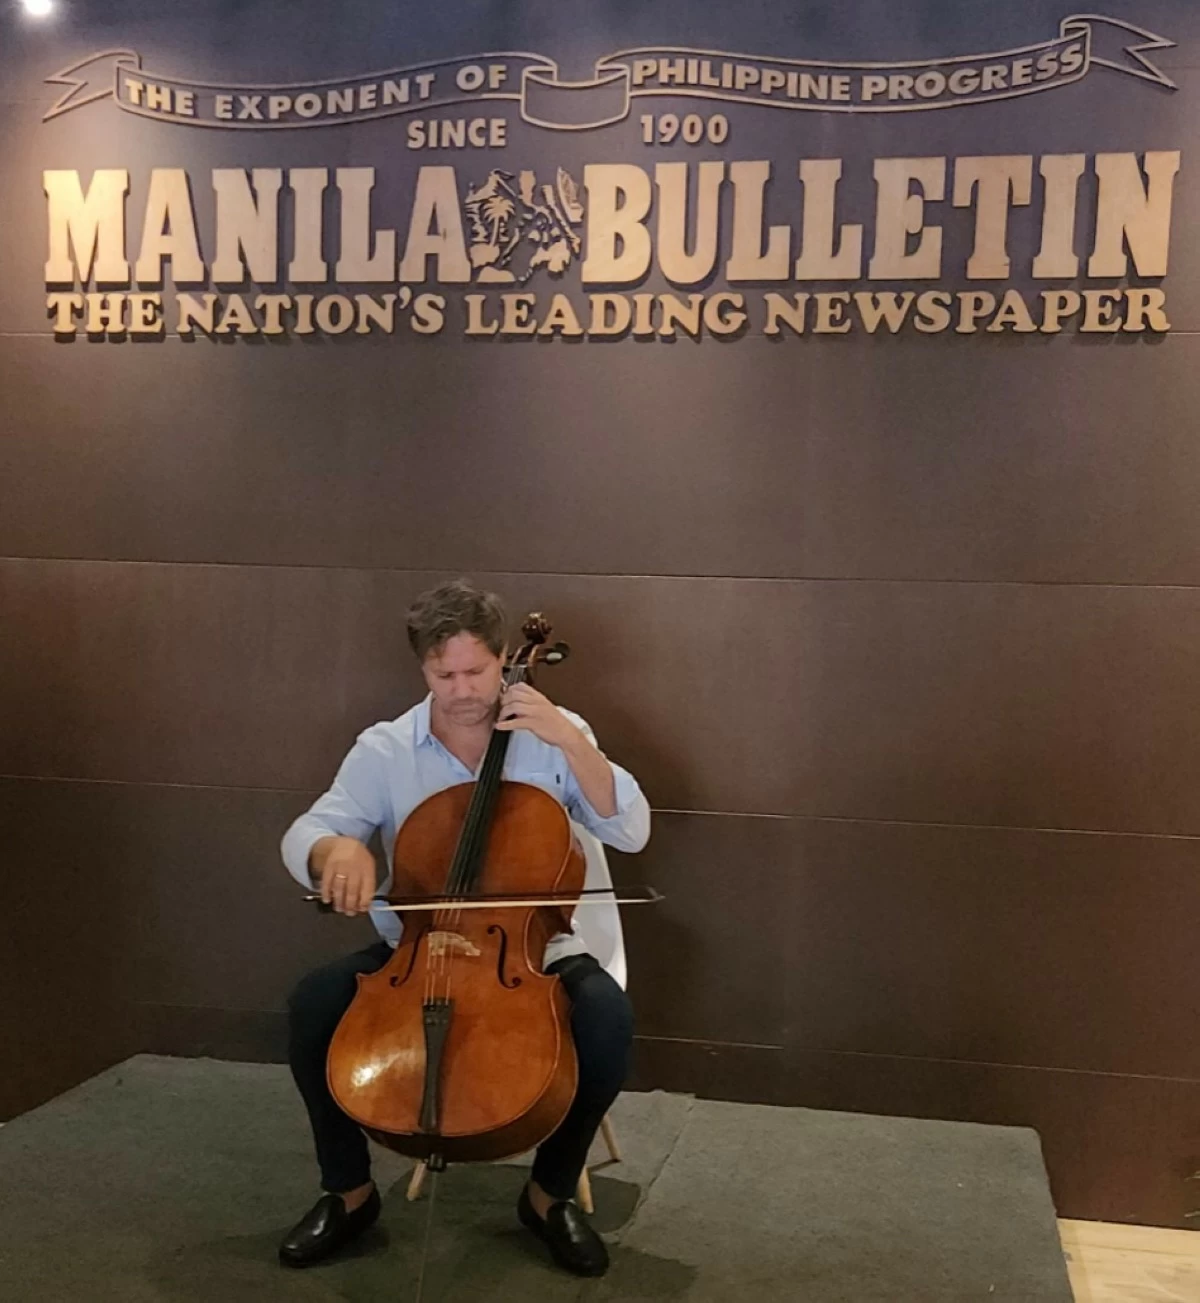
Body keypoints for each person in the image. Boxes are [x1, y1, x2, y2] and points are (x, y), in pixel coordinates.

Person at [278, 579, 651, 1276]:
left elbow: (630, 830)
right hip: (415, 949)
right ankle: (349, 1192)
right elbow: (310, 829)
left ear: (504, 656)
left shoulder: (555, 734)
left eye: (475, 671)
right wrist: (334, 851)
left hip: (534, 951)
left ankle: (548, 1194)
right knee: (312, 1004)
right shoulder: (386, 748)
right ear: (422, 668)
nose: (461, 690)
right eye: (442, 675)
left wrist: (571, 741)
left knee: (607, 1018)